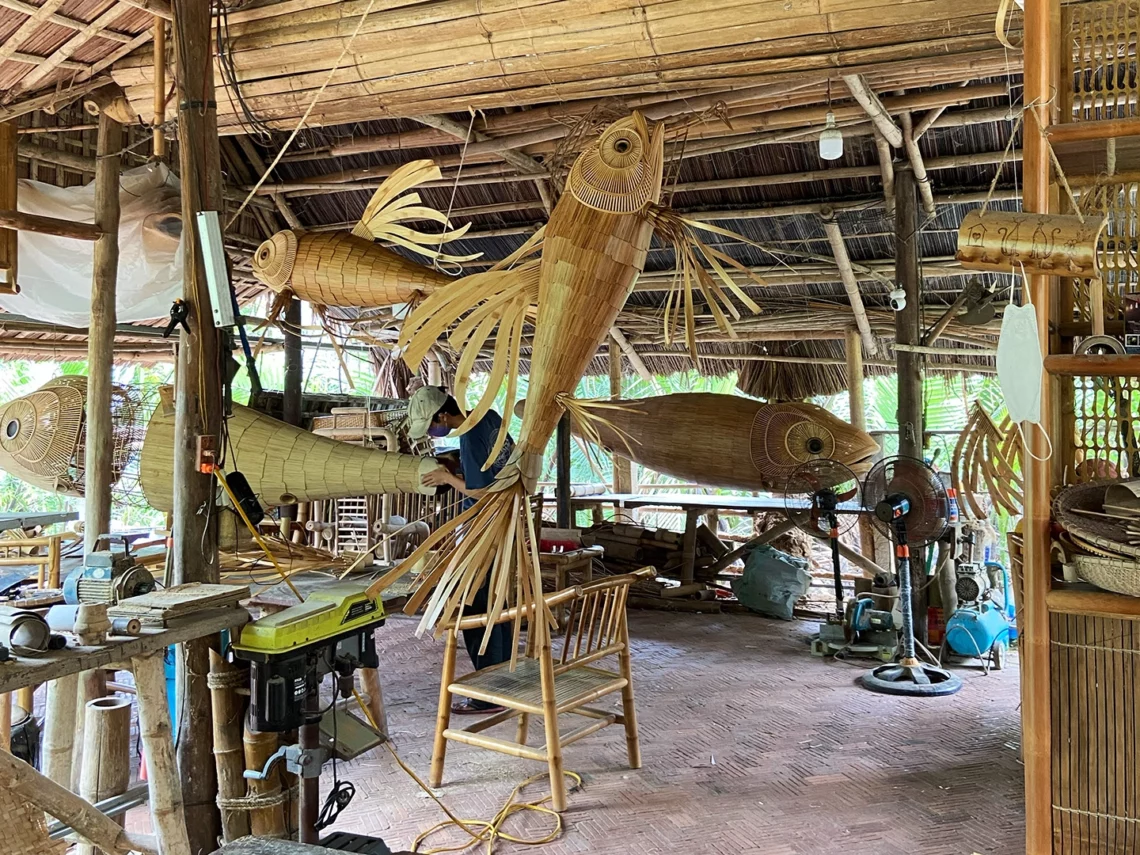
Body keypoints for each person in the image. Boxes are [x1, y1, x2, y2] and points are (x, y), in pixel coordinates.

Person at [407, 385, 515, 714]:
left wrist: (447, 477)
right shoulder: (490, 418)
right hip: (504, 524)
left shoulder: (469, 435)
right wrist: (458, 468)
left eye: (432, 426)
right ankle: (504, 682)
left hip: (485, 528)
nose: (434, 432)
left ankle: (486, 694)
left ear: (442, 415)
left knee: (474, 606)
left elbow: (482, 492)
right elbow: (497, 473)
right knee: (499, 604)